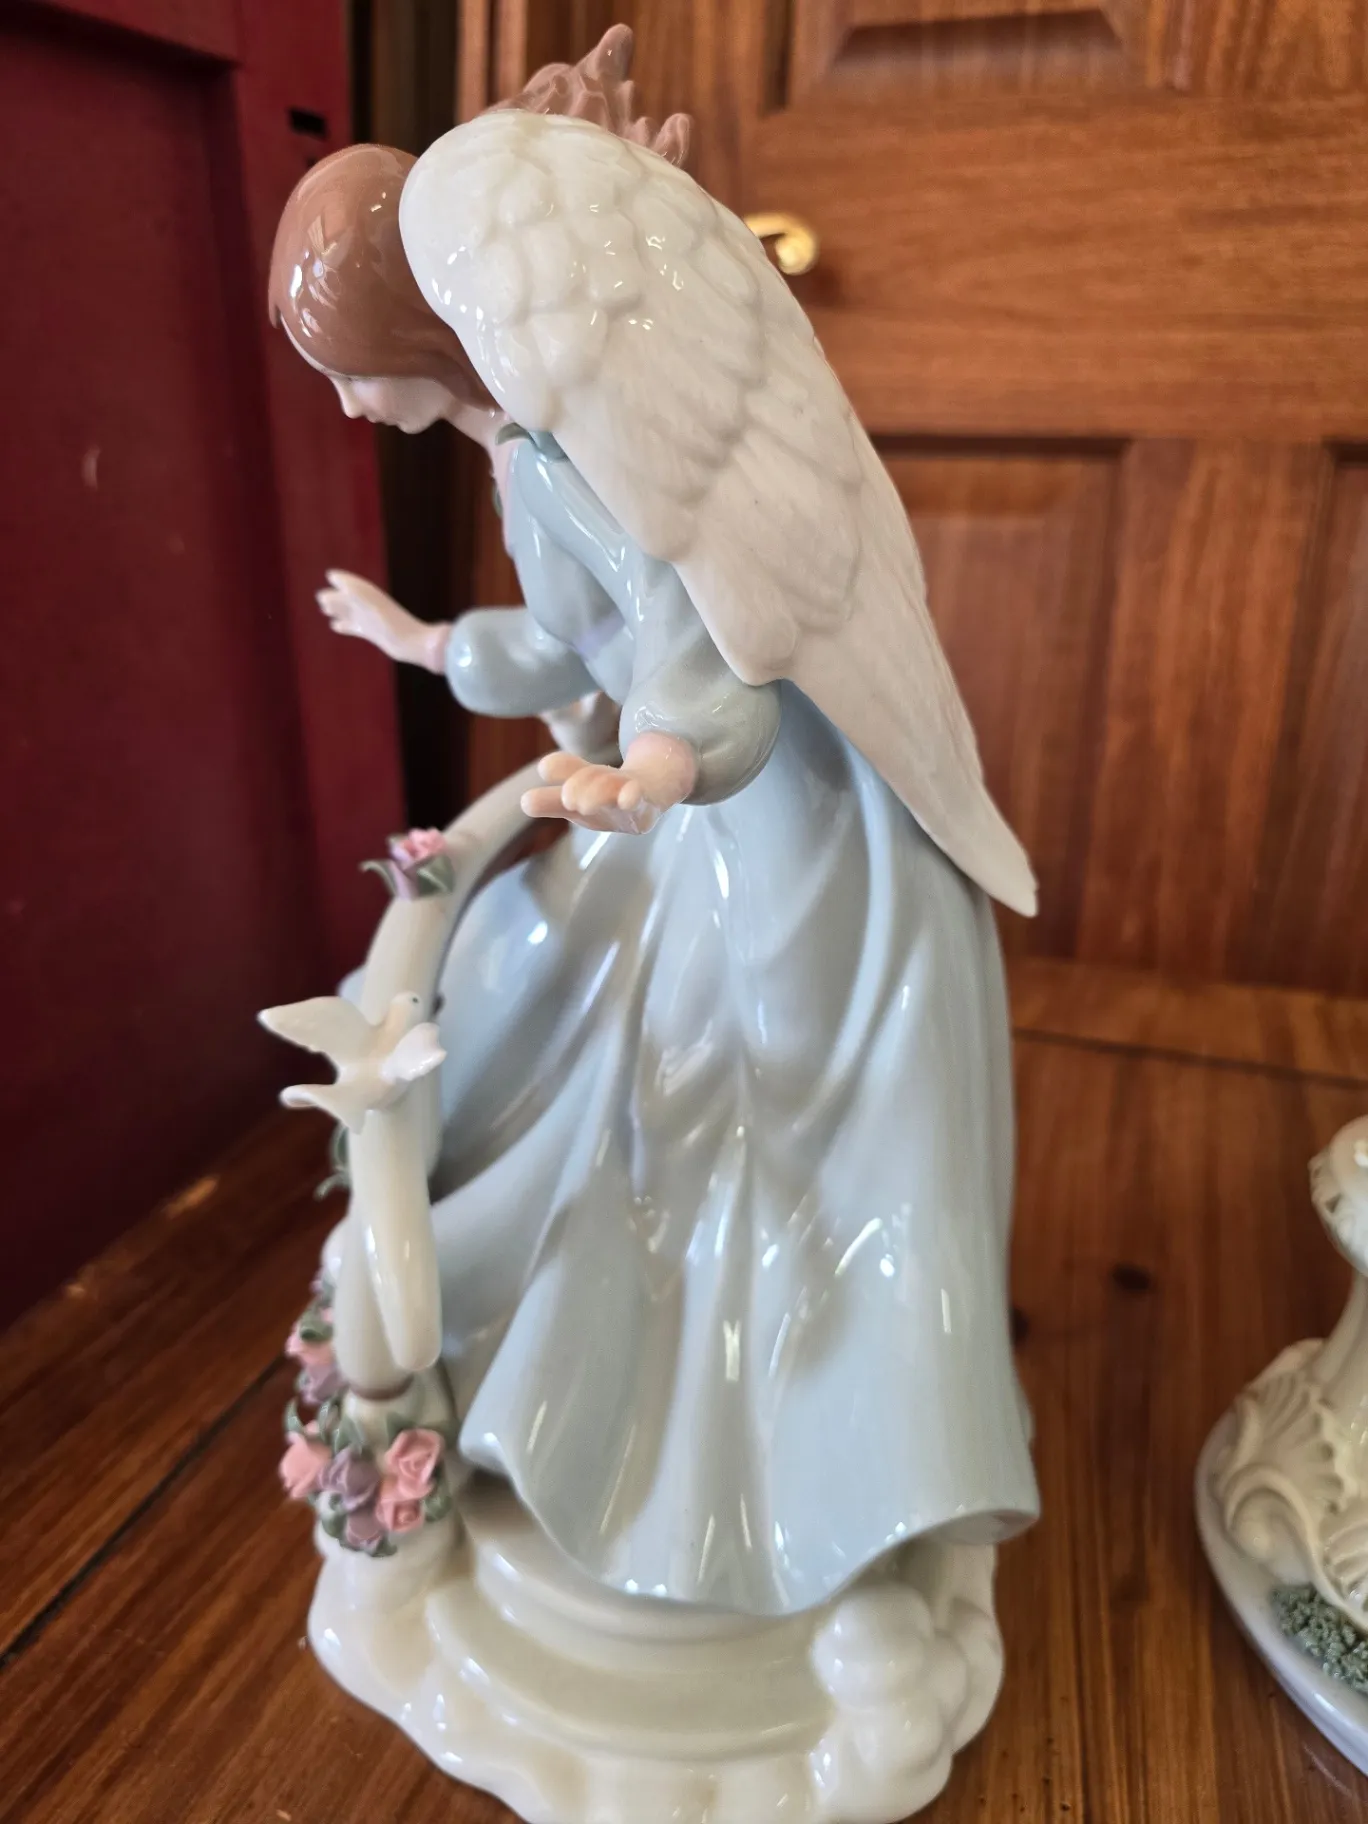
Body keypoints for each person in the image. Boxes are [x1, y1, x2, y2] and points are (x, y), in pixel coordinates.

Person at [267, 30, 1037, 1620]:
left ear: (416, 333)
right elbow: (578, 646)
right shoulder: (527, 454)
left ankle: (788, 1479)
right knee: (552, 989)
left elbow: (698, 640)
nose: (342, 400)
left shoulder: (574, 456)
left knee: (729, 1102)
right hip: (694, 812)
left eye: (346, 363)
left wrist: (665, 766)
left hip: (790, 823)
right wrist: (426, 643)